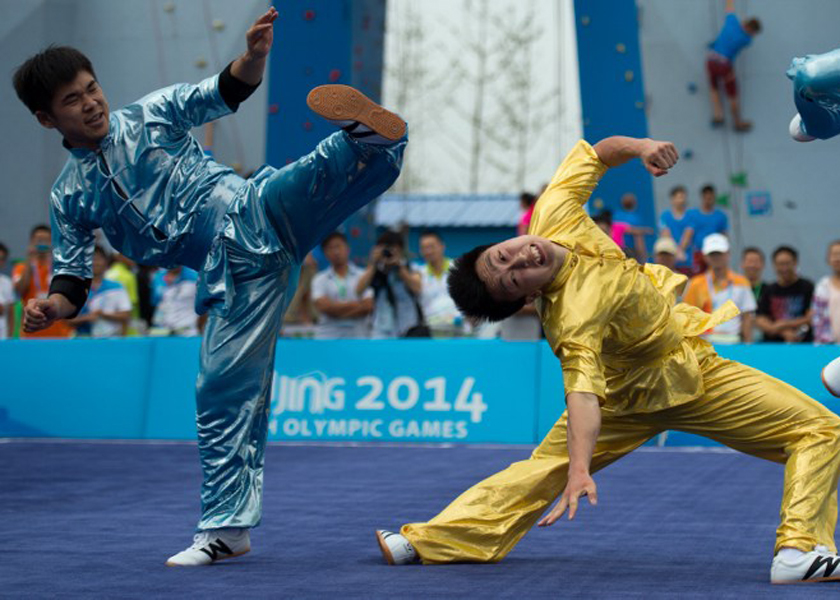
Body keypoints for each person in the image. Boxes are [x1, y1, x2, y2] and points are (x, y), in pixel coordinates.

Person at [13, 7, 406, 566]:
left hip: (252, 212)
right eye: (72, 100)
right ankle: (227, 531)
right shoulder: (69, 195)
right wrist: (50, 305)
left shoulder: (150, 115)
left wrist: (254, 56)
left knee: (312, 174)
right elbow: (73, 277)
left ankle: (373, 139)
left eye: (91, 87)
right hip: (236, 277)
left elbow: (222, 91)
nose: (91, 102)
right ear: (46, 119)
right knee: (219, 389)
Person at [374, 135, 840, 585]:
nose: (519, 261)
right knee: (822, 430)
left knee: (817, 432)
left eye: (503, 255)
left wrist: (641, 149)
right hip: (627, 396)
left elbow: (599, 152)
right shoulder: (571, 315)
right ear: (528, 296)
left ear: (502, 240)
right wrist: (580, 468)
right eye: (513, 279)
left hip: (691, 363)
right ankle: (798, 550)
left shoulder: (552, 211)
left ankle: (800, 548)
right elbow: (581, 394)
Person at [682, 234, 755, 343]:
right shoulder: (696, 284)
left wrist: (748, 345)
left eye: (719, 253)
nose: (716, 257)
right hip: (706, 345)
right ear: (705, 257)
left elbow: (747, 317)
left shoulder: (742, 282)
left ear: (728, 254)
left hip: (735, 342)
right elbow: (688, 317)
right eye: (712, 254)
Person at [706, 0, 761, 131]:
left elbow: (729, 7)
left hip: (711, 60)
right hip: (724, 65)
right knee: (732, 94)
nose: (753, 35)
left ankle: (717, 115)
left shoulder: (732, 21)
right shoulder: (746, 39)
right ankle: (737, 122)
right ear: (750, 29)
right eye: (754, 32)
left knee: (714, 87)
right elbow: (741, 37)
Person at [357, 230, 423, 338]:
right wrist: (373, 263)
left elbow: (417, 288)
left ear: (401, 250)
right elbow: (358, 290)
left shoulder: (410, 268)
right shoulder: (376, 271)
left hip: (409, 327)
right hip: (381, 328)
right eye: (385, 250)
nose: (389, 253)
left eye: (393, 249)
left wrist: (399, 267)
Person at [11, 225, 72, 338]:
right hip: (31, 332)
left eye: (46, 240)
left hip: (60, 332)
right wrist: (29, 259)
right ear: (31, 242)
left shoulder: (61, 267)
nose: (43, 243)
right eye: (39, 240)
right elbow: (19, 291)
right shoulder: (21, 267)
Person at [311, 232, 372, 339]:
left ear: (347, 249)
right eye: (330, 248)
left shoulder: (363, 275)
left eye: (338, 246)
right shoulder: (319, 279)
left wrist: (335, 311)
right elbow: (324, 307)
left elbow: (368, 306)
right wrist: (357, 304)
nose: (336, 252)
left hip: (358, 336)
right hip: (328, 336)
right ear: (325, 253)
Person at [67, 245, 131, 337]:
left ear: (106, 262)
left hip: (110, 340)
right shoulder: (76, 288)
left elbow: (126, 316)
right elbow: (68, 321)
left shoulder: (117, 287)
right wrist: (87, 318)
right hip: (82, 339)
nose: (95, 263)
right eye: (91, 259)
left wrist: (104, 314)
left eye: (98, 259)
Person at [756, 246, 814, 343]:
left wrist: (784, 324)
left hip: (803, 345)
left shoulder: (807, 287)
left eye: (787, 264)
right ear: (774, 265)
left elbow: (811, 317)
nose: (784, 268)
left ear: (795, 263)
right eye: (780, 264)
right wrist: (783, 332)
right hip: (772, 345)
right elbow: (760, 318)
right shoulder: (768, 289)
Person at [416, 230, 460, 335]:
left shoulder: (459, 268)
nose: (428, 251)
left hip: (460, 332)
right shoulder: (419, 274)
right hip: (433, 332)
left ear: (442, 246)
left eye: (431, 247)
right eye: (424, 248)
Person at [687, 184, 728, 271]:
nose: (708, 200)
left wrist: (726, 252)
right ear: (702, 197)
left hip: (715, 253)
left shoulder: (720, 216)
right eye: (706, 198)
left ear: (714, 198)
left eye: (711, 198)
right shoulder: (693, 214)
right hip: (698, 253)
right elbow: (688, 235)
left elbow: (724, 236)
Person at [150, 267, 201, 336]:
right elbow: (157, 304)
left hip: (189, 330)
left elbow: (204, 306)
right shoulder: (159, 277)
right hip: (165, 331)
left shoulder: (195, 276)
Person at [658, 185, 695, 274]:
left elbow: (688, 235)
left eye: (683, 197)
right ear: (672, 199)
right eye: (679, 197)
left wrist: (680, 251)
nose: (681, 200)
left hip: (686, 261)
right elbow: (666, 234)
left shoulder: (690, 216)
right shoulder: (665, 216)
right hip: (669, 262)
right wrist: (675, 253)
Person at [811, 240, 840, 344]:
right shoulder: (822, 286)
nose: (837, 258)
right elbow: (818, 318)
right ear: (828, 259)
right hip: (828, 347)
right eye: (834, 255)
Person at [611, 192, 651, 263]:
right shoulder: (635, 219)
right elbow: (639, 240)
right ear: (635, 203)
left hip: (614, 251)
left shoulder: (615, 216)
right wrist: (643, 259)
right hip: (629, 252)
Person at [0, 242, 13, 339]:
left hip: (3, 338)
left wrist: (10, 336)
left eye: (1, 259)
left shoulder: (7, 282)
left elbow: (10, 312)